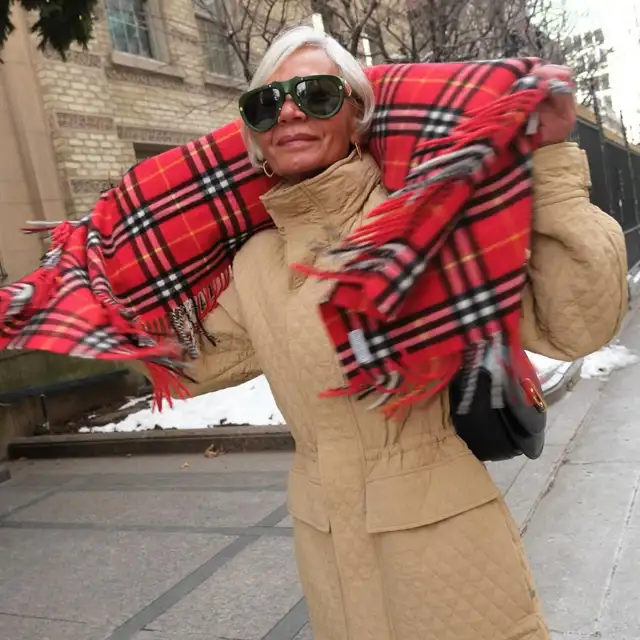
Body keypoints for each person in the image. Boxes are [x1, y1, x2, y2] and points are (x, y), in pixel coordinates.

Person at [175, 26, 628, 640]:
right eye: (265, 103)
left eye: (316, 94)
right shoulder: (255, 263)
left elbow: (574, 318)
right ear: (256, 138)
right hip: (328, 552)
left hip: (447, 555)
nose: (287, 111)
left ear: (357, 115)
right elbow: (192, 362)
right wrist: (105, 283)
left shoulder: (423, 219)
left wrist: (544, 165)